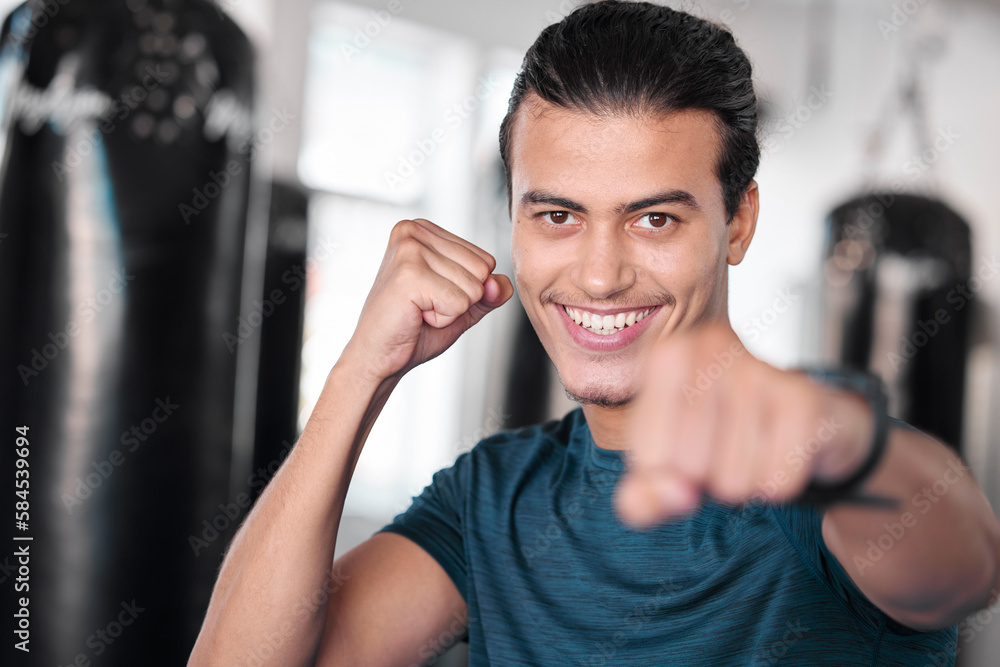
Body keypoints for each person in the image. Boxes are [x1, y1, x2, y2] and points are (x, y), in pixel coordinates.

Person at [189, 1, 1000, 665]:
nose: (600, 274)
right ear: (512, 217)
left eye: (653, 218)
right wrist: (360, 371)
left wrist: (851, 455)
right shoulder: (493, 500)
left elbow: (961, 568)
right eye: (558, 215)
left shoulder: (811, 465)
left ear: (738, 222)